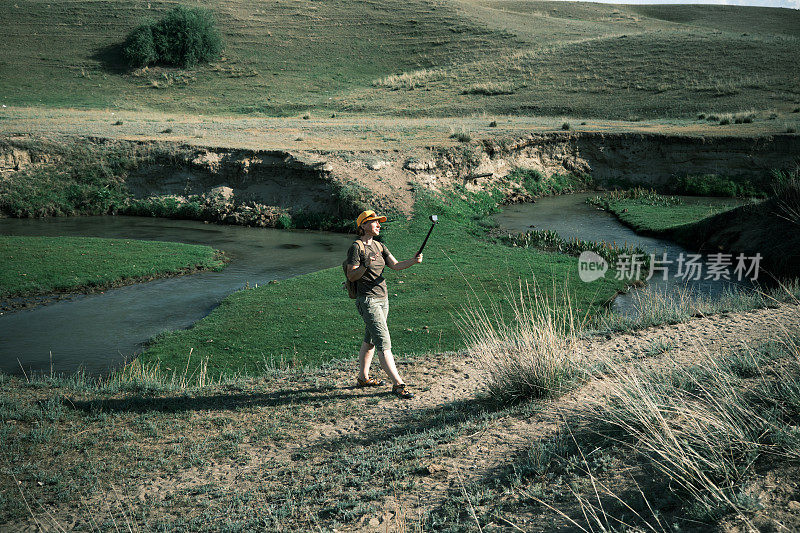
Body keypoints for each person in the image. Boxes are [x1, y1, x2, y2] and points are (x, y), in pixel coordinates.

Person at [346, 210, 422, 399]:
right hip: (368, 300)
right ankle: (398, 384)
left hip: (383, 298)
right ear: (363, 226)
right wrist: (365, 265)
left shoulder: (380, 246)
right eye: (374, 222)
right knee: (383, 342)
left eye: (379, 222)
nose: (379, 225)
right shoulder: (356, 248)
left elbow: (395, 265)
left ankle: (363, 378)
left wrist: (413, 261)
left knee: (370, 340)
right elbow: (351, 275)